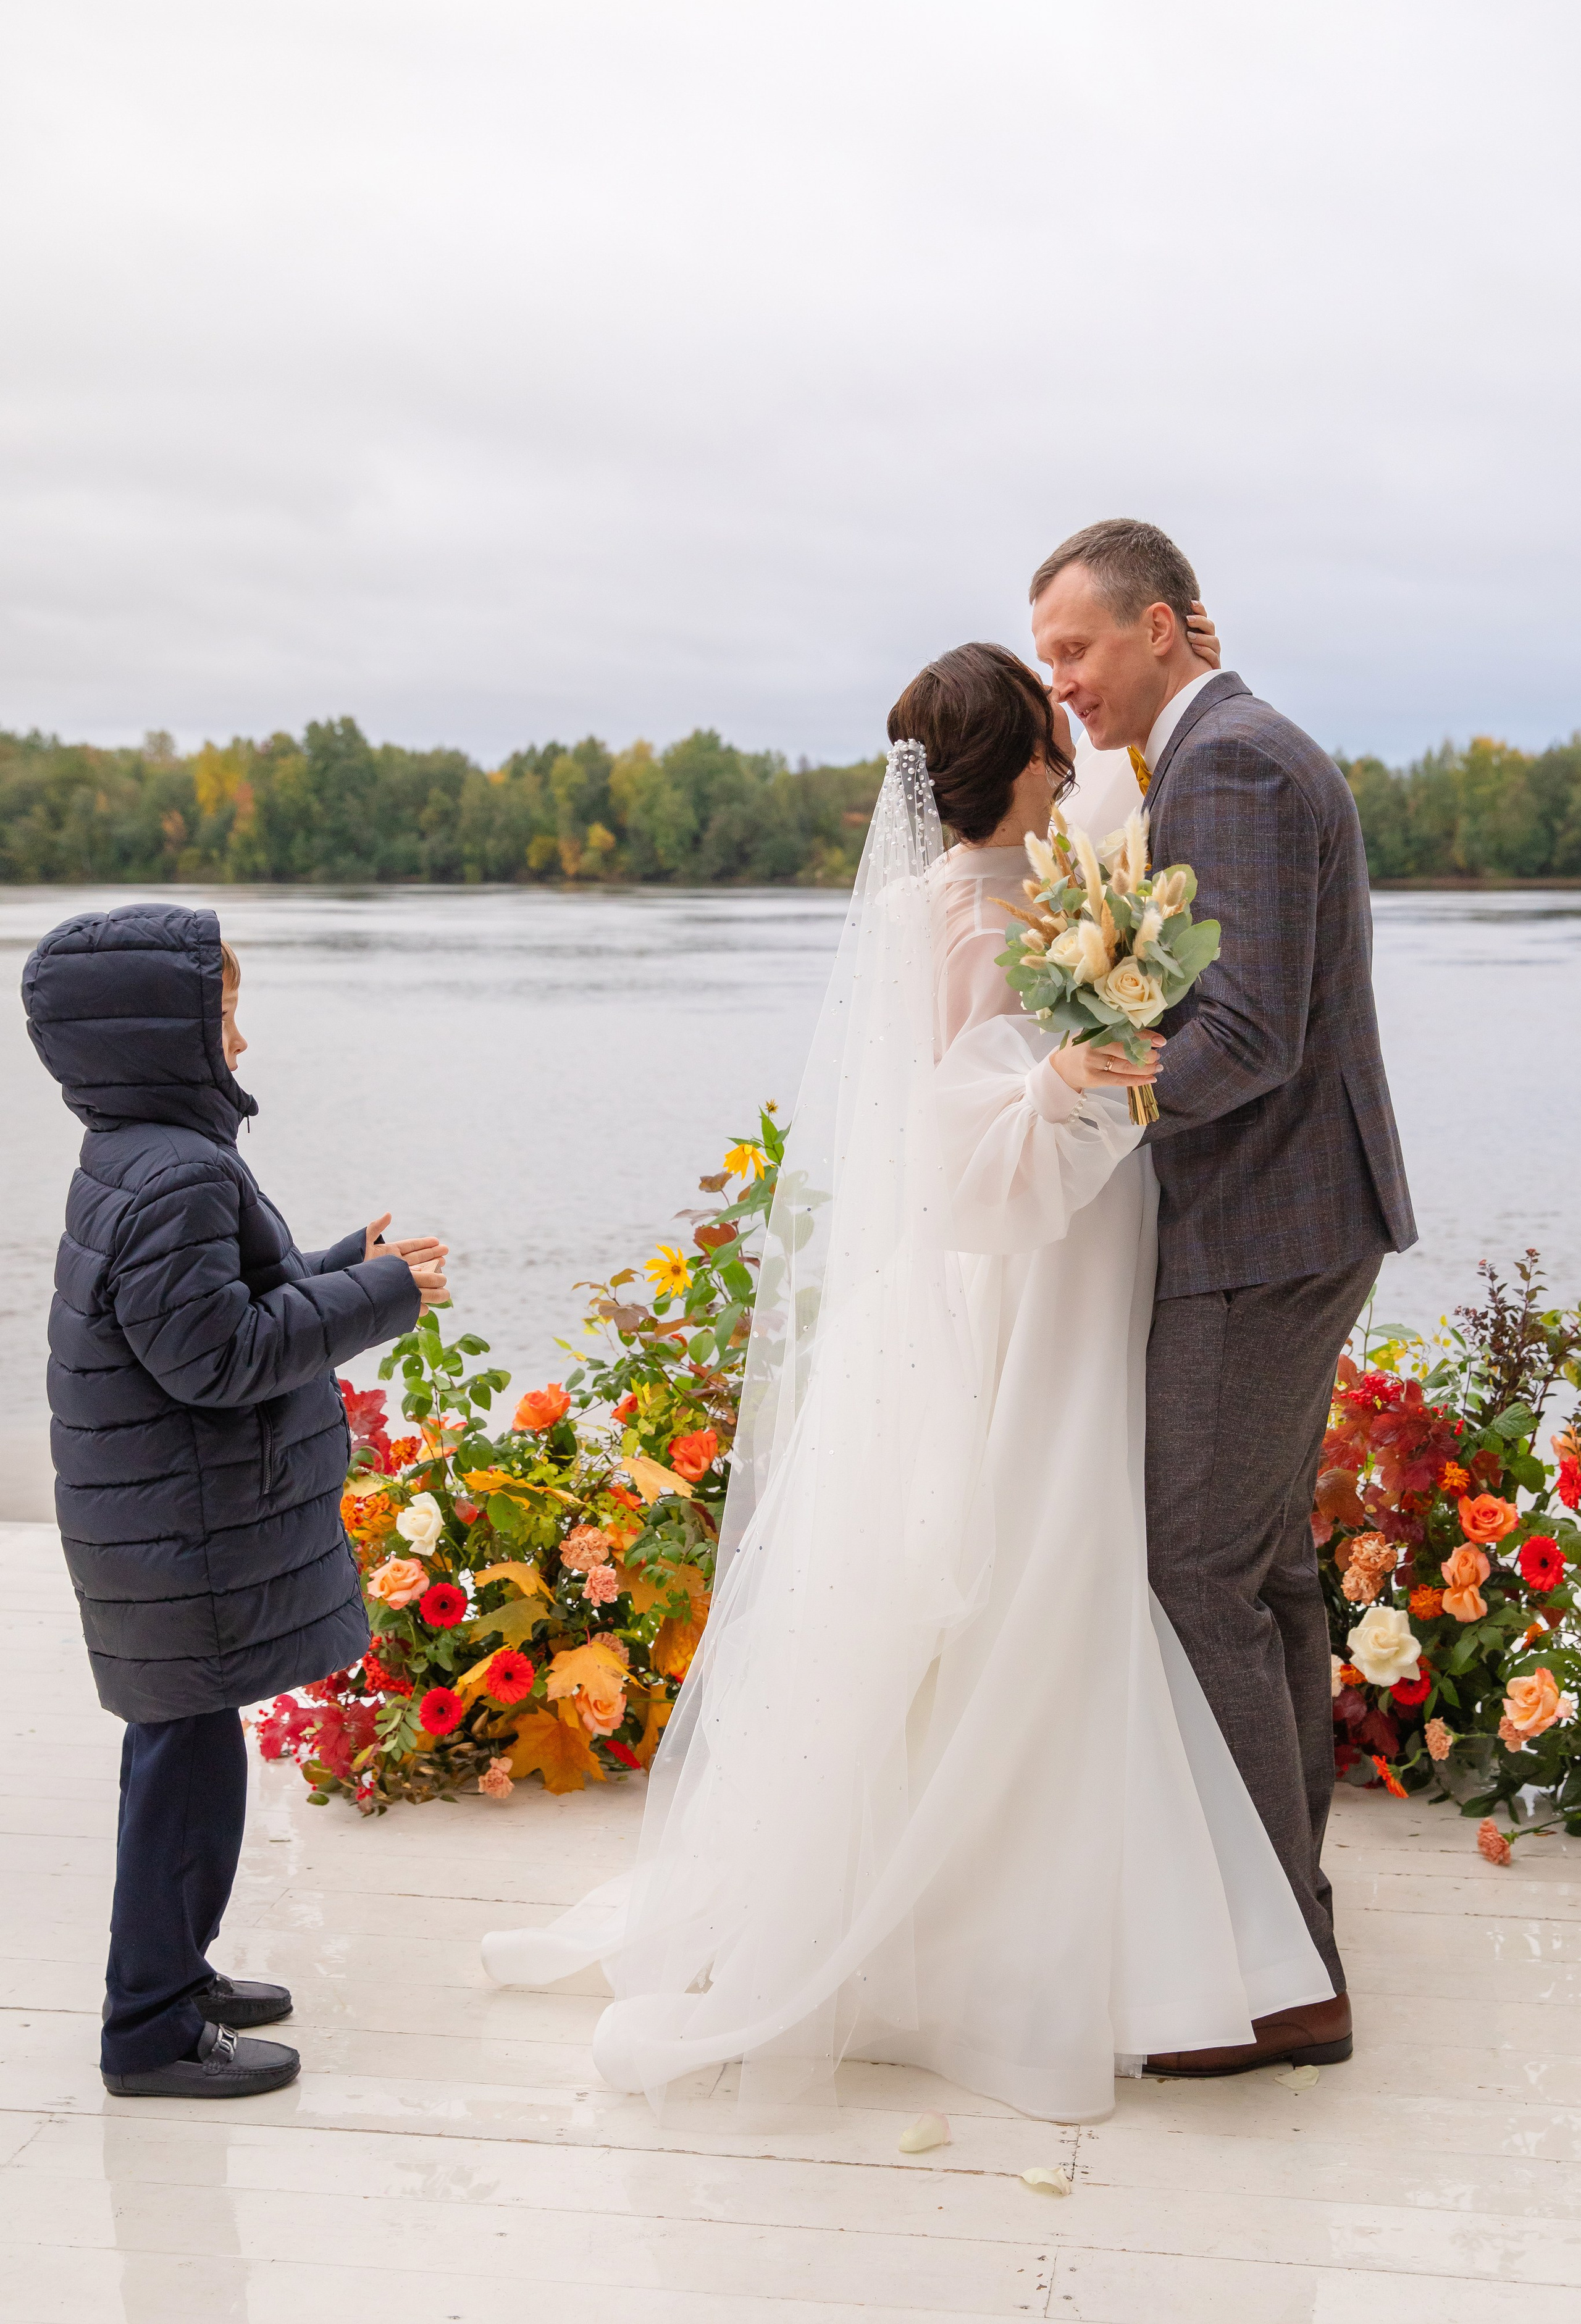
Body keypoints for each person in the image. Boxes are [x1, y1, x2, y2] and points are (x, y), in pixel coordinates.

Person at [480, 623, 1340, 2126]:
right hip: (1036, 1258)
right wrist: (1078, 1083)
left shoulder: (1037, 869)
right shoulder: (960, 909)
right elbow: (958, 1138)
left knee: (1078, 1553)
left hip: (1079, 1238)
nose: (1068, 734)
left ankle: (1132, 1916)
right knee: (1052, 1556)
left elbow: (1133, 851)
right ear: (1017, 756)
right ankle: (1041, 1931)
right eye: (1046, 712)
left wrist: (1096, 1049)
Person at [1030, 518, 1415, 2074]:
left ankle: (1279, 1986)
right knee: (1260, 1578)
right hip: (1290, 1219)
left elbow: (1244, 1034)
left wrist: (1077, 1118)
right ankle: (1284, 1925)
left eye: (1079, 647)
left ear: (1171, 625)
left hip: (1264, 1230)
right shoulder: (1216, 755)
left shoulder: (1231, 763)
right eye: (1047, 656)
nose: (1062, 683)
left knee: (1193, 1576)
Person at [22, 903, 450, 2098]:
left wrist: (332, 1263)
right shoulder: (175, 1174)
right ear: (159, 1036)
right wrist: (377, 1296)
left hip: (157, 1519)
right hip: (180, 1528)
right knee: (184, 1765)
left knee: (186, 1751)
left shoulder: (141, 1155)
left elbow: (214, 1306)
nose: (241, 1046)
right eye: (223, 1017)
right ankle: (150, 2025)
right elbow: (219, 1357)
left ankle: (175, 1968)